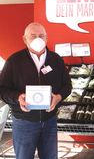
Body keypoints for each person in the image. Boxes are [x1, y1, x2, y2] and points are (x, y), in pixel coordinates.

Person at [0, 22, 72, 159]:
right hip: (24, 122)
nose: (38, 39)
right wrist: (18, 97)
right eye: (33, 36)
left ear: (47, 38)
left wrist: (58, 97)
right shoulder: (14, 61)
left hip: (49, 121)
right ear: (24, 39)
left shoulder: (56, 60)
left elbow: (67, 85)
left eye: (41, 36)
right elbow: (2, 89)